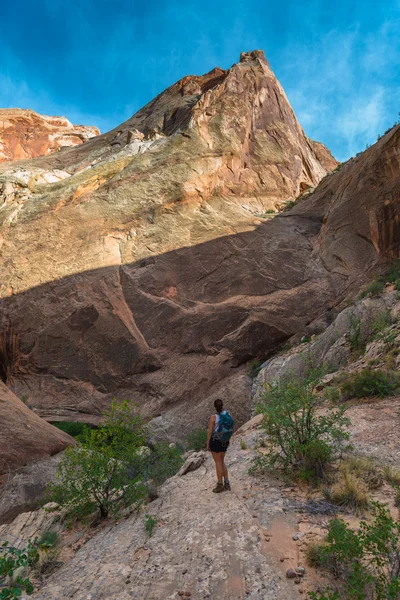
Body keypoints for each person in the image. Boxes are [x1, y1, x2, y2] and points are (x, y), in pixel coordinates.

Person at [207, 399, 231, 493]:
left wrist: (208, 443)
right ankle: (227, 483)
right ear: (222, 405)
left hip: (216, 441)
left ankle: (220, 484)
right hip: (224, 441)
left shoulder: (214, 417)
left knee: (218, 462)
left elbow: (210, 432)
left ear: (215, 407)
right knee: (222, 461)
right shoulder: (227, 415)